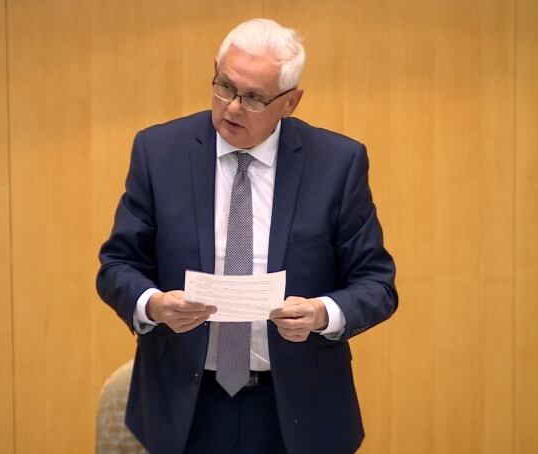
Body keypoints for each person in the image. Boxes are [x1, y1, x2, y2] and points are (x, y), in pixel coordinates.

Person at [97, 18, 397, 454]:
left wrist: (322, 314)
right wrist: (155, 305)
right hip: (185, 406)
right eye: (224, 86)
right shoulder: (159, 152)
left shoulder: (337, 163)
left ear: (290, 103)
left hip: (297, 409)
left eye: (254, 97)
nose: (233, 107)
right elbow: (117, 266)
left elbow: (377, 283)